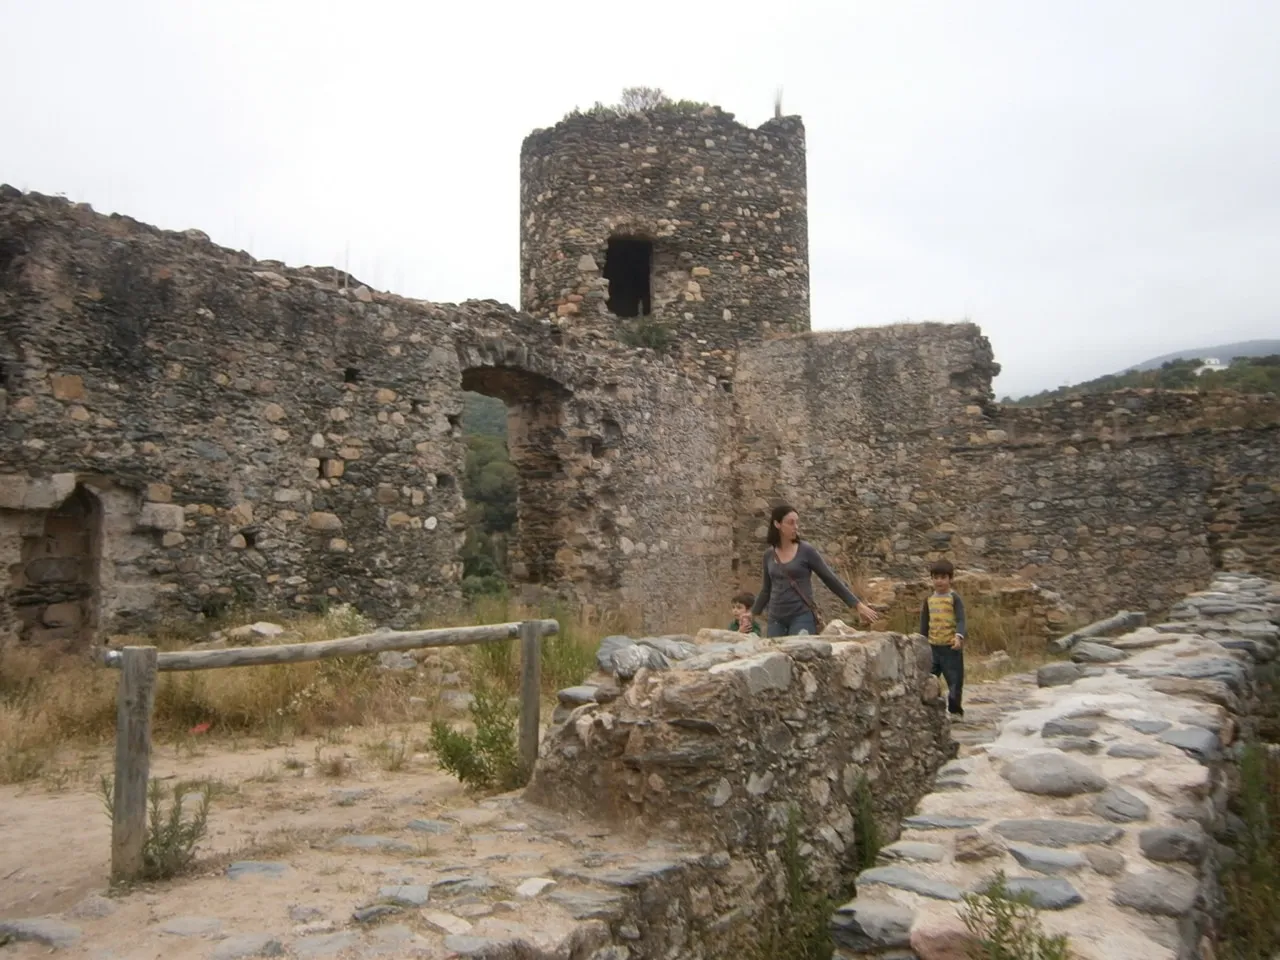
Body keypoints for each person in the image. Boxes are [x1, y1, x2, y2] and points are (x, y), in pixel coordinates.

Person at [751, 503, 881, 638]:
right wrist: (752, 613)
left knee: (799, 652)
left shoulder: (806, 551)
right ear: (777, 524)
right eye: (791, 523)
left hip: (801, 616)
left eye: (797, 522)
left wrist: (857, 605)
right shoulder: (768, 555)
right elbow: (766, 589)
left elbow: (830, 578)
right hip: (776, 619)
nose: (796, 527)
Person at [919, 559, 966, 718]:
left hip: (950, 648)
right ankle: (928, 710)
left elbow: (961, 619)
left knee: (954, 681)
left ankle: (955, 711)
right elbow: (925, 622)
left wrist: (958, 636)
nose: (939, 581)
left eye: (943, 577)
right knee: (928, 680)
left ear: (950, 579)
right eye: (936, 577)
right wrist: (921, 641)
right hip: (933, 647)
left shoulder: (954, 598)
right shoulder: (929, 600)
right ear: (931, 579)